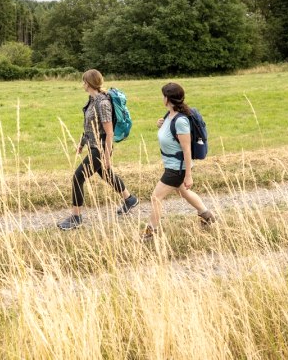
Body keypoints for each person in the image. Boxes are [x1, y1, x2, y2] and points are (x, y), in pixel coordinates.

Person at [57, 69, 138, 230]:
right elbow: (89, 127)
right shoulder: (92, 100)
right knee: (106, 174)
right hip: (94, 145)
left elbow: (109, 133)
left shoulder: (102, 103)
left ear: (89, 83)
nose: (82, 84)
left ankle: (76, 217)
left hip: (101, 148)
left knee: (77, 177)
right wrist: (81, 143)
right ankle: (129, 199)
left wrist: (107, 156)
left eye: (84, 81)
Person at [142, 82, 215, 241]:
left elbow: (187, 149)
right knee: (184, 192)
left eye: (163, 95)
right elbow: (169, 135)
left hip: (177, 168)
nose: (162, 98)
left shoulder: (181, 121)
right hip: (172, 164)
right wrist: (161, 126)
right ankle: (207, 217)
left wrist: (188, 175)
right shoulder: (170, 115)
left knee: (156, 197)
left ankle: (150, 233)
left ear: (167, 98)